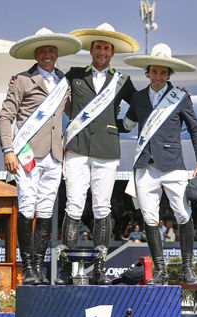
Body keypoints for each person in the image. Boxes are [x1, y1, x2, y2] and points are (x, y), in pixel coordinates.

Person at [55, 23, 138, 285]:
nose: (102, 51)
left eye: (106, 48)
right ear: (91, 50)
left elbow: (140, 105)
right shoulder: (74, 75)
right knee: (74, 205)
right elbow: (56, 98)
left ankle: (101, 268)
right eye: (98, 47)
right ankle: (66, 269)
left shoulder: (123, 80)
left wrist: (121, 126)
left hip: (107, 150)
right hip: (77, 148)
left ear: (112, 53)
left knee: (102, 207)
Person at [0, 28, 82, 285]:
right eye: (43, 51)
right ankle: (28, 268)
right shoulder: (22, 80)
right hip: (27, 154)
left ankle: (39, 266)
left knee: (45, 209)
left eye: (51, 51)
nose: (47, 55)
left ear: (56, 54)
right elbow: (5, 116)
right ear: (36, 54)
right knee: (27, 206)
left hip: (55, 155)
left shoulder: (64, 82)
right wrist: (8, 149)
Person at [120, 43, 197, 285]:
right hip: (145, 168)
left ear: (169, 74)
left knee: (183, 213)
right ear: (147, 72)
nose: (158, 76)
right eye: (154, 72)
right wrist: (107, 116)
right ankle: (160, 270)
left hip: (174, 165)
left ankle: (187, 268)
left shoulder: (180, 97)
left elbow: (195, 129)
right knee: (149, 218)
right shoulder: (137, 98)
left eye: (163, 72)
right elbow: (126, 126)